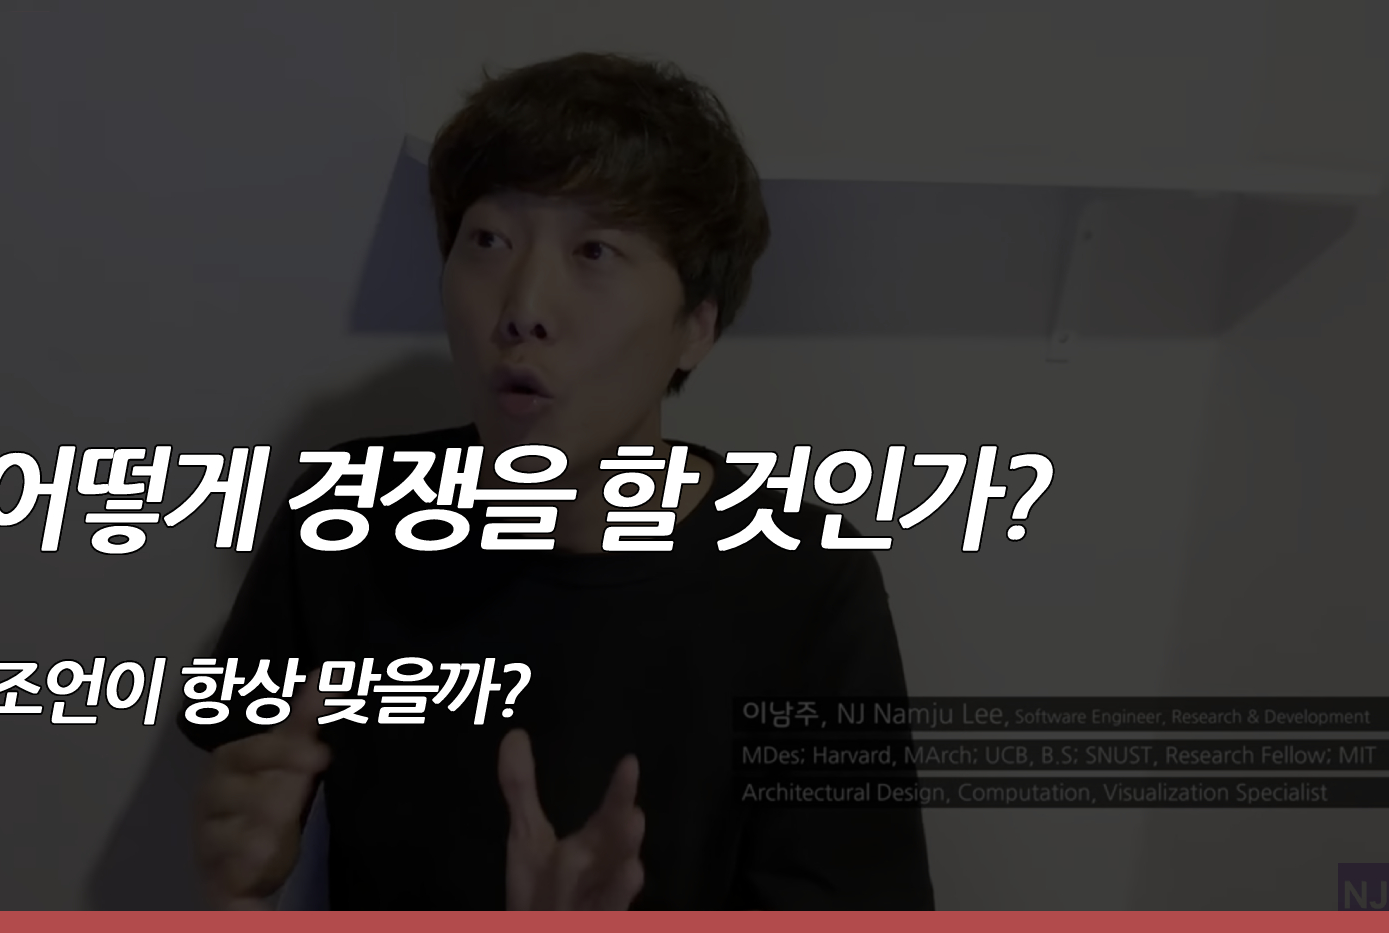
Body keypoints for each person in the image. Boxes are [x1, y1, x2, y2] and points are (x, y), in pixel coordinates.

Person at [179, 51, 934, 909]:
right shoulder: (344, 509)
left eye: (595, 250)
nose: (523, 307)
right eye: (488, 241)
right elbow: (248, 822)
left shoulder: (800, 578)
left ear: (695, 327)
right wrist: (243, 882)